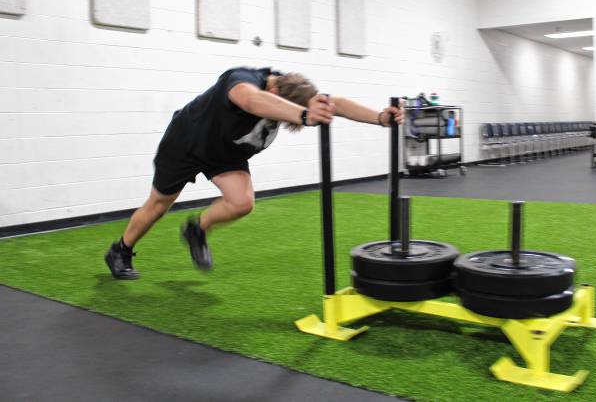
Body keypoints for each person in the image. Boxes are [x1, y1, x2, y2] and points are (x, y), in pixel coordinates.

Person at [104, 67, 404, 280]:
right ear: (274, 91)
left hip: (224, 153)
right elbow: (249, 100)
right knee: (159, 205)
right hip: (187, 142)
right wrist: (301, 115)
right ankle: (121, 250)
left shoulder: (294, 89)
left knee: (242, 202)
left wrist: (380, 118)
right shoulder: (242, 80)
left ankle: (196, 229)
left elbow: (333, 104)